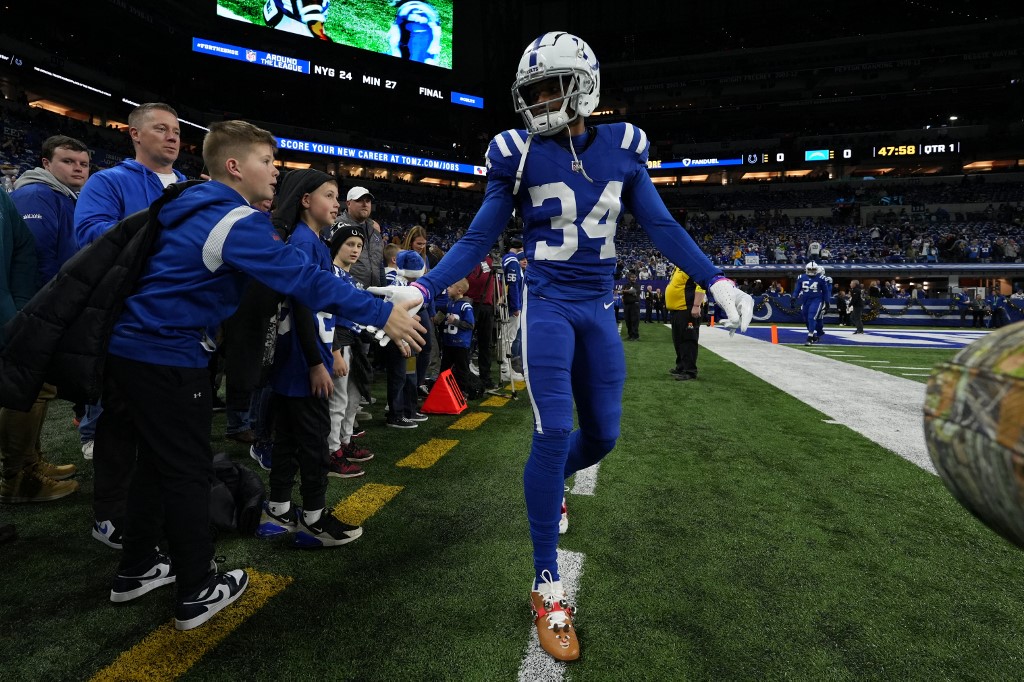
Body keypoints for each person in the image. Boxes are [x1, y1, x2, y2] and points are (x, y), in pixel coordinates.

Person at [390, 32, 752, 662]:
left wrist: (715, 278)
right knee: (555, 429)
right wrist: (424, 286)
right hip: (549, 303)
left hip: (600, 307)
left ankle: (552, 482)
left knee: (603, 437)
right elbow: (479, 236)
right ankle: (546, 583)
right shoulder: (516, 153)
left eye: (550, 88)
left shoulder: (624, 145)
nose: (538, 102)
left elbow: (660, 222)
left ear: (585, 86)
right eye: (530, 92)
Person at [97, 121, 424, 630]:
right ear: (234, 166)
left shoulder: (188, 202)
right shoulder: (234, 219)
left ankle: (137, 566)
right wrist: (382, 314)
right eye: (267, 161)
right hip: (167, 352)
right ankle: (196, 590)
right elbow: (302, 279)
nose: (275, 171)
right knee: (186, 471)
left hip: (132, 349)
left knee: (156, 466)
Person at [75, 103, 188, 545]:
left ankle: (154, 511)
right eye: (161, 129)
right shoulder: (108, 181)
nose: (173, 137)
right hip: (128, 325)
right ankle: (110, 515)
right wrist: (163, 235)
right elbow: (90, 236)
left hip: (182, 327)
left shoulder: (190, 186)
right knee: (121, 422)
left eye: (176, 130)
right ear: (135, 134)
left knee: (170, 431)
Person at [1, 135, 90, 503]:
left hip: (44, 308)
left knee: (39, 389)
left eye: (83, 163)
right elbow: (37, 260)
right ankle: (18, 477)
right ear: (46, 163)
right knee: (30, 391)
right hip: (38, 309)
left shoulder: (60, 195)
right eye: (68, 161)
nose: (78, 169)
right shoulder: (37, 195)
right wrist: (50, 310)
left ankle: (29, 463)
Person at [326, 225, 376, 469]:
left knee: (352, 399)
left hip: (354, 343)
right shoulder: (329, 274)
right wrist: (335, 350)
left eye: (359, 246)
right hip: (339, 343)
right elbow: (326, 315)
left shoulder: (353, 281)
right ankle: (331, 450)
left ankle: (345, 441)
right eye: (350, 244)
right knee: (337, 401)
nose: (355, 250)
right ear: (337, 245)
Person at [437, 278, 476, 397]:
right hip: (448, 343)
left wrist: (455, 322)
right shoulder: (449, 303)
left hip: (460, 344)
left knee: (461, 370)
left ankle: (462, 392)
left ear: (459, 290)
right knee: (444, 369)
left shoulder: (465, 306)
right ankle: (443, 391)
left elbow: (470, 325)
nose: (448, 289)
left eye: (451, 286)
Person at [665, 267, 705, 381]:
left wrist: (696, 305)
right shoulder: (678, 267)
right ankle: (681, 367)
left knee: (688, 340)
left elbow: (701, 286)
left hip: (687, 310)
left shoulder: (693, 266)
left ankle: (690, 371)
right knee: (678, 340)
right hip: (677, 311)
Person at [465, 252, 497, 389]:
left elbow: (496, 282)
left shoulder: (491, 260)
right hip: (469, 304)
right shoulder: (467, 258)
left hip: (486, 305)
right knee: (465, 343)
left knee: (486, 344)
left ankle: (485, 377)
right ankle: (463, 375)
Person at [500, 237, 525, 382]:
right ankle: (505, 369)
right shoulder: (512, 261)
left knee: (505, 337)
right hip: (509, 306)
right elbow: (513, 285)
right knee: (507, 338)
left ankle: (505, 367)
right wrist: (515, 306)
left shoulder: (507, 259)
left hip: (505, 304)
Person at [387, 0, 441, 65]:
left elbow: (394, 38)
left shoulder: (406, 9)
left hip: (419, 36)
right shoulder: (424, 8)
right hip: (423, 35)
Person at [795, 261, 830, 345]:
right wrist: (794, 297)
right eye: (810, 269)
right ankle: (813, 334)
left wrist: (827, 302)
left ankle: (811, 336)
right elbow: (797, 289)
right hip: (806, 300)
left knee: (813, 317)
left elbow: (826, 291)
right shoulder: (801, 277)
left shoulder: (822, 278)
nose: (811, 271)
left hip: (817, 300)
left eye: (813, 269)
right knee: (807, 318)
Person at [621, 272, 641, 340]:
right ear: (629, 278)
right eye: (632, 277)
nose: (633, 278)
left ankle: (635, 336)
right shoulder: (626, 285)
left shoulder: (637, 285)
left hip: (634, 305)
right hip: (627, 305)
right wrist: (628, 291)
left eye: (635, 277)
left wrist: (626, 291)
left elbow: (633, 291)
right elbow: (622, 291)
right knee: (628, 320)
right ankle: (630, 335)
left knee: (634, 320)